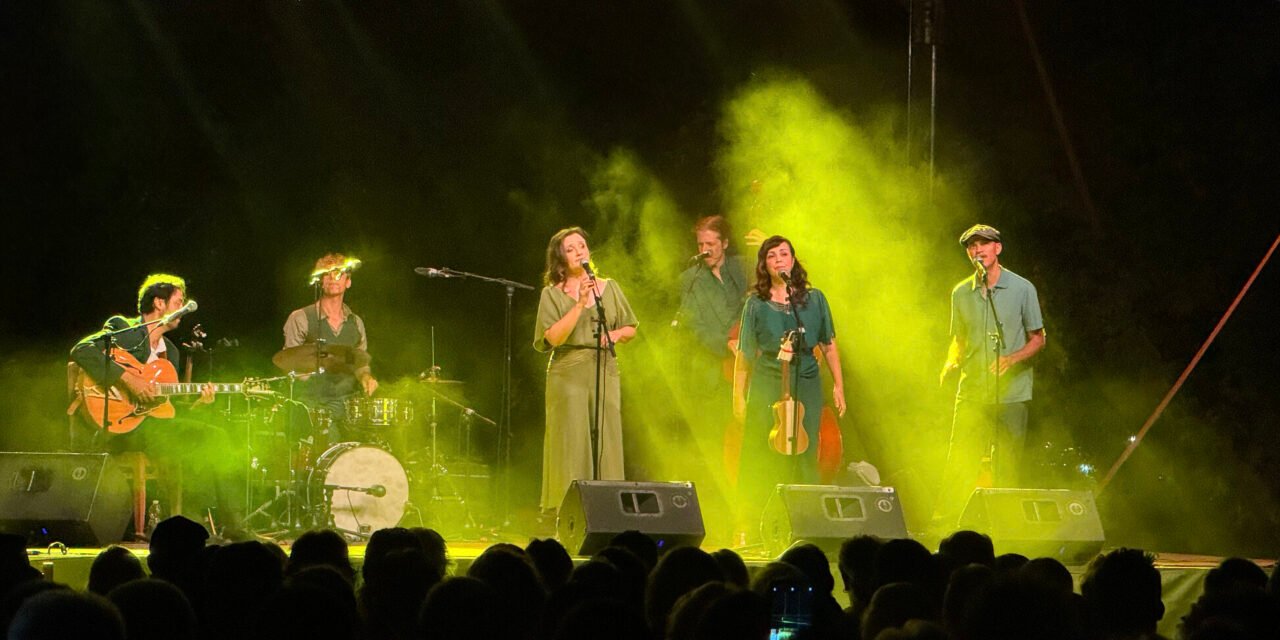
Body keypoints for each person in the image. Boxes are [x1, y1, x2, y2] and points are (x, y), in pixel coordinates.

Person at [69, 274, 242, 536]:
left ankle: (217, 524)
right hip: (117, 424)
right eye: (179, 301)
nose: (182, 308)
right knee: (202, 439)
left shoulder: (170, 353)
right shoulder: (123, 328)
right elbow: (81, 350)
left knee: (212, 437)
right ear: (159, 303)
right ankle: (206, 525)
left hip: (151, 427)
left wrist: (199, 404)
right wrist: (128, 380)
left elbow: (167, 410)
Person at [934, 224, 1046, 530]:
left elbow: (1038, 338)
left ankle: (1006, 527)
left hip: (1012, 393)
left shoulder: (1023, 289)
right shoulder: (960, 292)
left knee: (1007, 463)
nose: (978, 250)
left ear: (998, 248)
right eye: (972, 246)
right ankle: (951, 528)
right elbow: (958, 339)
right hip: (971, 390)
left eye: (984, 244)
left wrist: (1011, 359)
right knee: (961, 459)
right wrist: (950, 362)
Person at [732, 236, 846, 532]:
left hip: (806, 374)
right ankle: (759, 520)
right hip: (769, 376)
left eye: (784, 254)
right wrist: (738, 397)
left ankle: (805, 520)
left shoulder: (814, 299)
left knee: (806, 446)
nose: (779, 259)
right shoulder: (755, 304)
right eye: (772, 255)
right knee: (763, 446)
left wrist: (838, 386)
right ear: (764, 264)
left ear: (794, 260)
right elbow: (744, 355)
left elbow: (829, 345)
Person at [534, 227, 638, 513]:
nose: (579, 251)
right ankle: (568, 511)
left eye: (582, 245)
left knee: (607, 437)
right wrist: (580, 303)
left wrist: (615, 336)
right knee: (572, 440)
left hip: (605, 368)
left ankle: (609, 510)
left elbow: (630, 327)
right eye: (571, 248)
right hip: (567, 372)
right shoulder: (551, 295)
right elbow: (552, 338)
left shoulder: (609, 287)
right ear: (560, 259)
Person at [282, 253, 378, 444]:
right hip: (313, 405)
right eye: (327, 274)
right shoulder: (300, 318)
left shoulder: (356, 322)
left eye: (339, 274)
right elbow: (290, 364)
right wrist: (308, 369)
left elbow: (360, 363)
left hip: (347, 406)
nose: (333, 278)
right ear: (320, 281)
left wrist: (366, 377)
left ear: (348, 282)